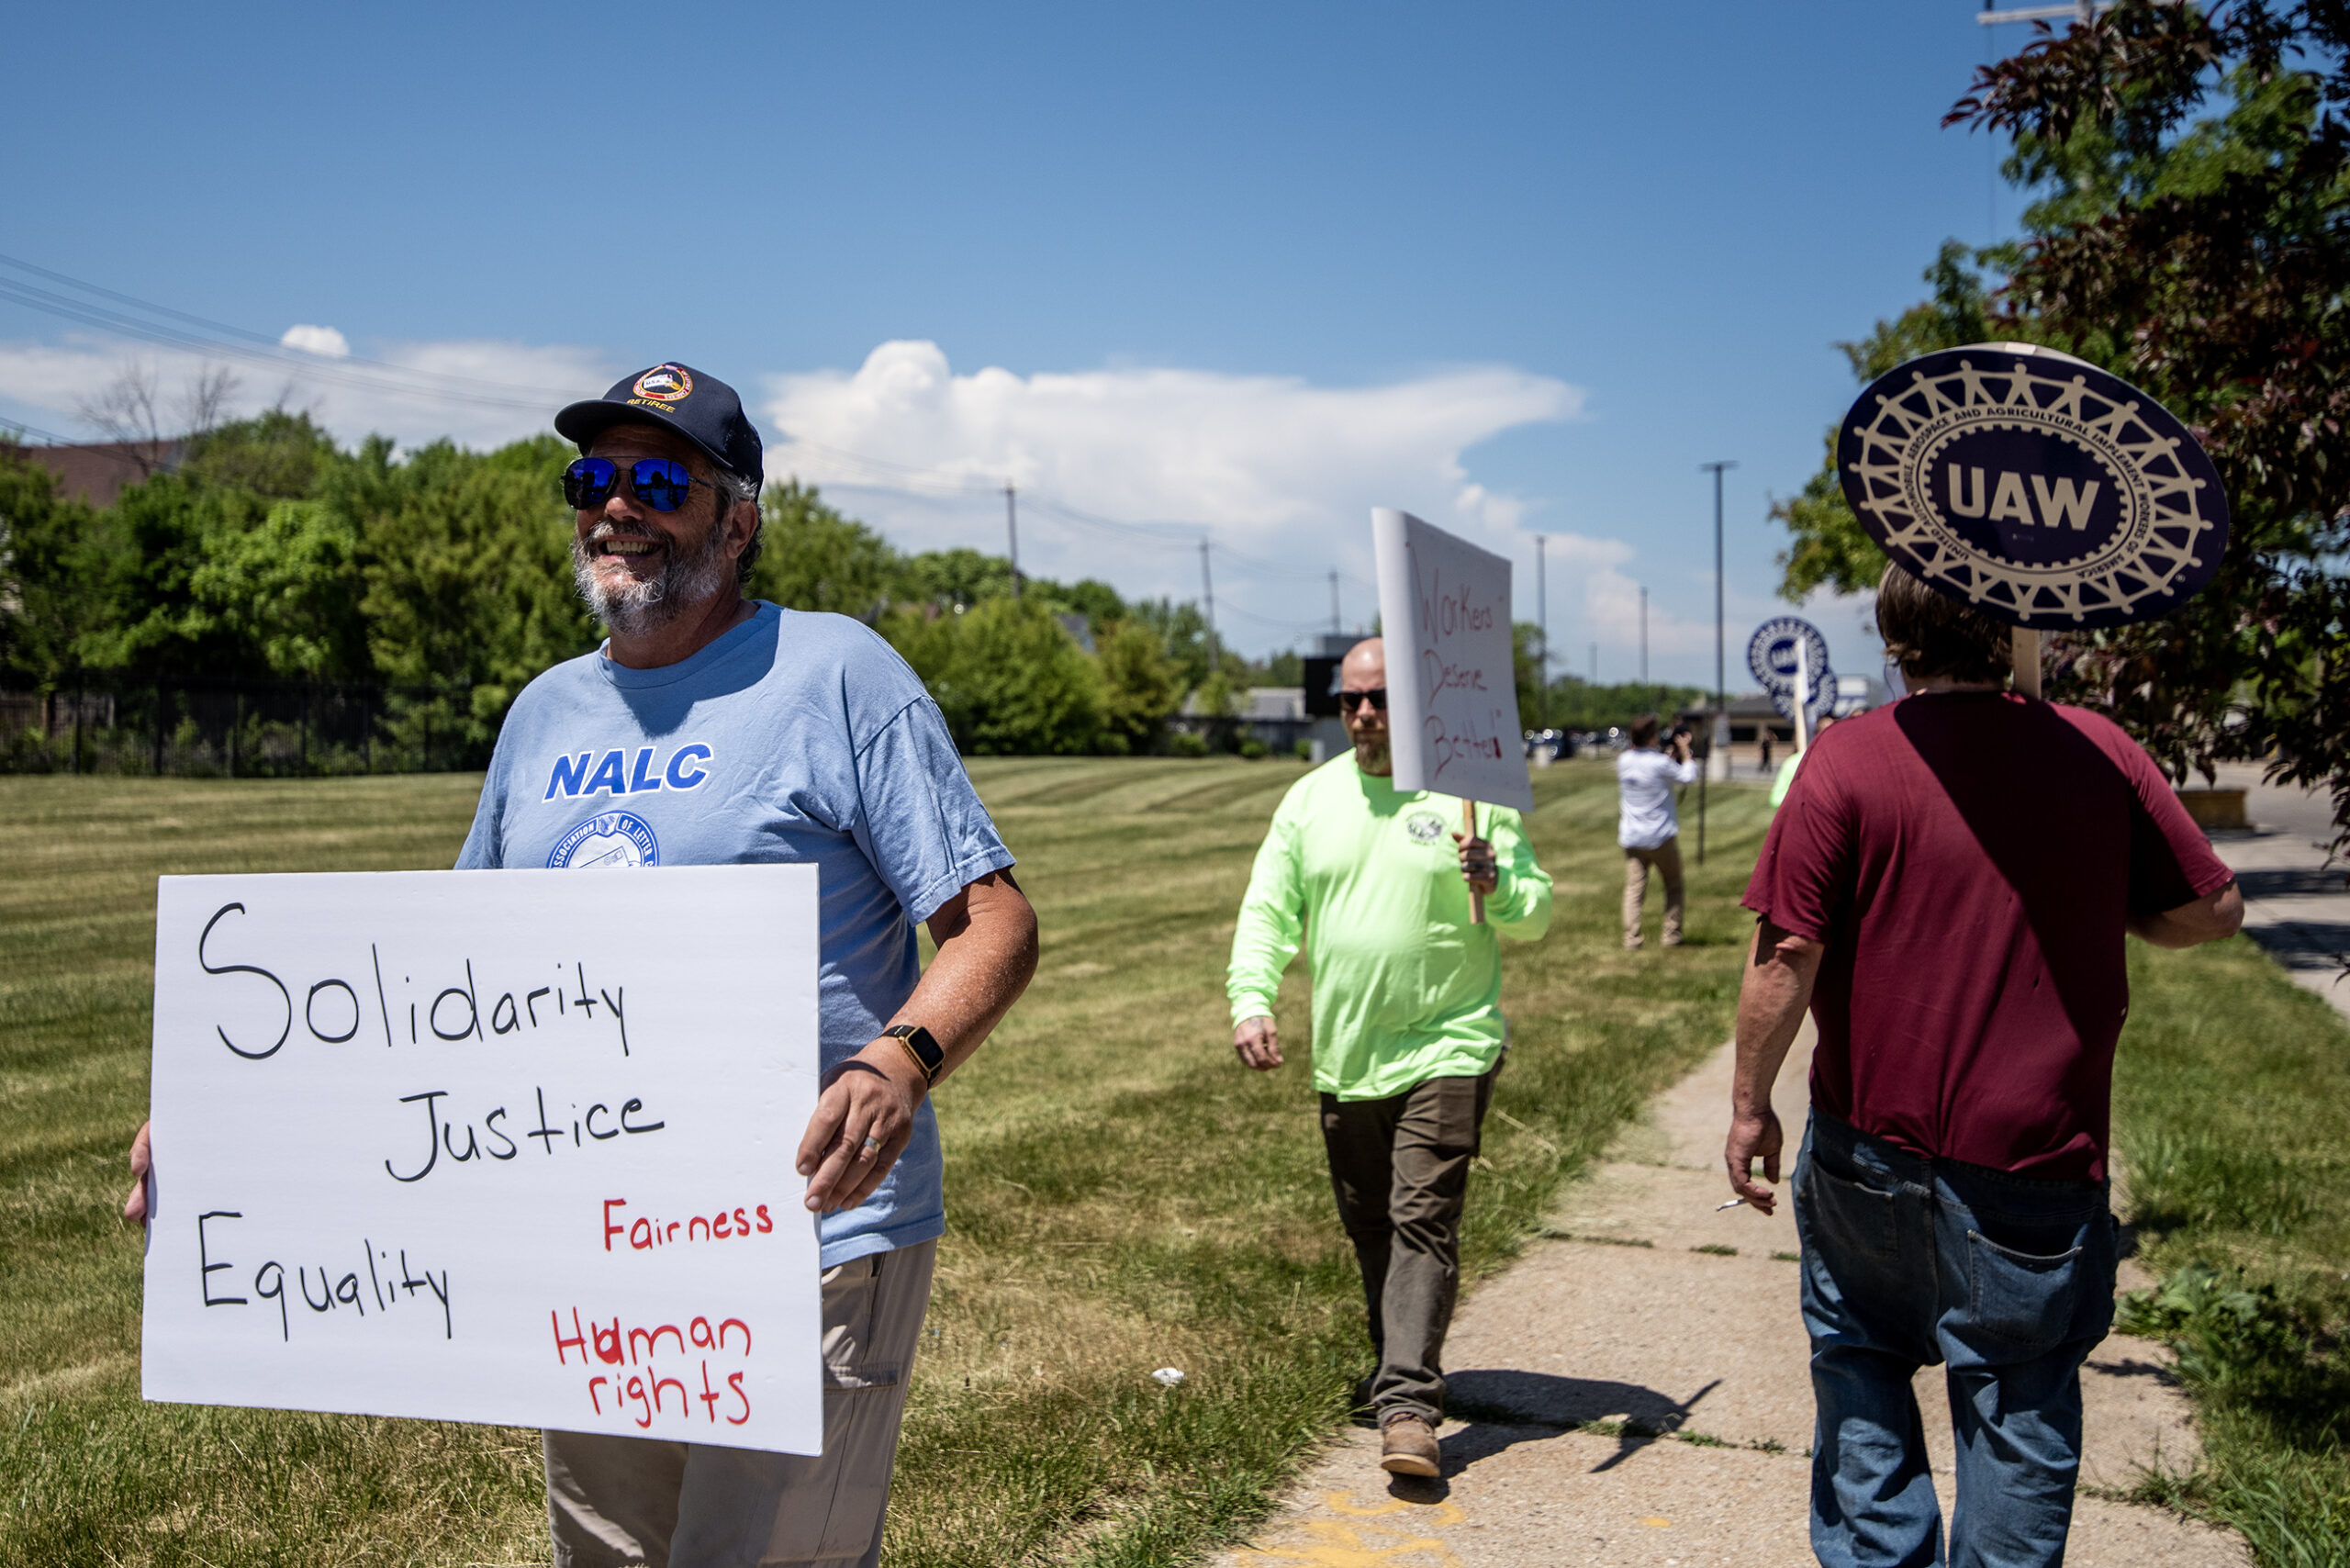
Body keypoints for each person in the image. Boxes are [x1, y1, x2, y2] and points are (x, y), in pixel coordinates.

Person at [127, 363, 1039, 1568]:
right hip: (593, 1250)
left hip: (803, 1231)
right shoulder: (544, 716)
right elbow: (425, 1001)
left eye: (660, 480)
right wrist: (227, 1120)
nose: (618, 506)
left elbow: (994, 924)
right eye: (592, 479)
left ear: (740, 519)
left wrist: (900, 1060)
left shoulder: (835, 674)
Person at [1723, 564, 2242, 1568]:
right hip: (2037, 1160)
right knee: (2017, 1401)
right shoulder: (2096, 751)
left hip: (1866, 1149)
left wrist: (1749, 1105)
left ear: (1892, 635)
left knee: (1861, 1361)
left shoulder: (1846, 761)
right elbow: (2210, 909)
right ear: (2015, 631)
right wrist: (2104, 896)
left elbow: (1785, 954)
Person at [1226, 638, 1552, 1478]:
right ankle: (1394, 1358)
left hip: (1452, 1039)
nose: (1365, 714)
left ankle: (1408, 1402)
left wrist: (1499, 882)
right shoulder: (1309, 800)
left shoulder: (1470, 797)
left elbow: (1534, 912)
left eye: (1380, 698)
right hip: (1349, 1051)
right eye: (1351, 701)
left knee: (1422, 1217)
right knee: (1371, 1224)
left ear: (1413, 702)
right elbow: (1269, 908)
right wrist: (1252, 998)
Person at [1616, 714, 1697, 949]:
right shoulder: (1660, 763)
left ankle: (1632, 937)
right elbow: (1688, 776)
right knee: (1673, 885)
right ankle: (1671, 935)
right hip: (1660, 835)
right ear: (1653, 736)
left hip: (1633, 836)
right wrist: (1685, 752)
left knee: (1634, 888)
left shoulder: (1624, 761)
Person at [1768, 713, 1832, 809]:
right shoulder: (1794, 763)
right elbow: (1776, 798)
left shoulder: (1843, 763)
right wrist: (1804, 798)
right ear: (1817, 735)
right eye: (1825, 732)